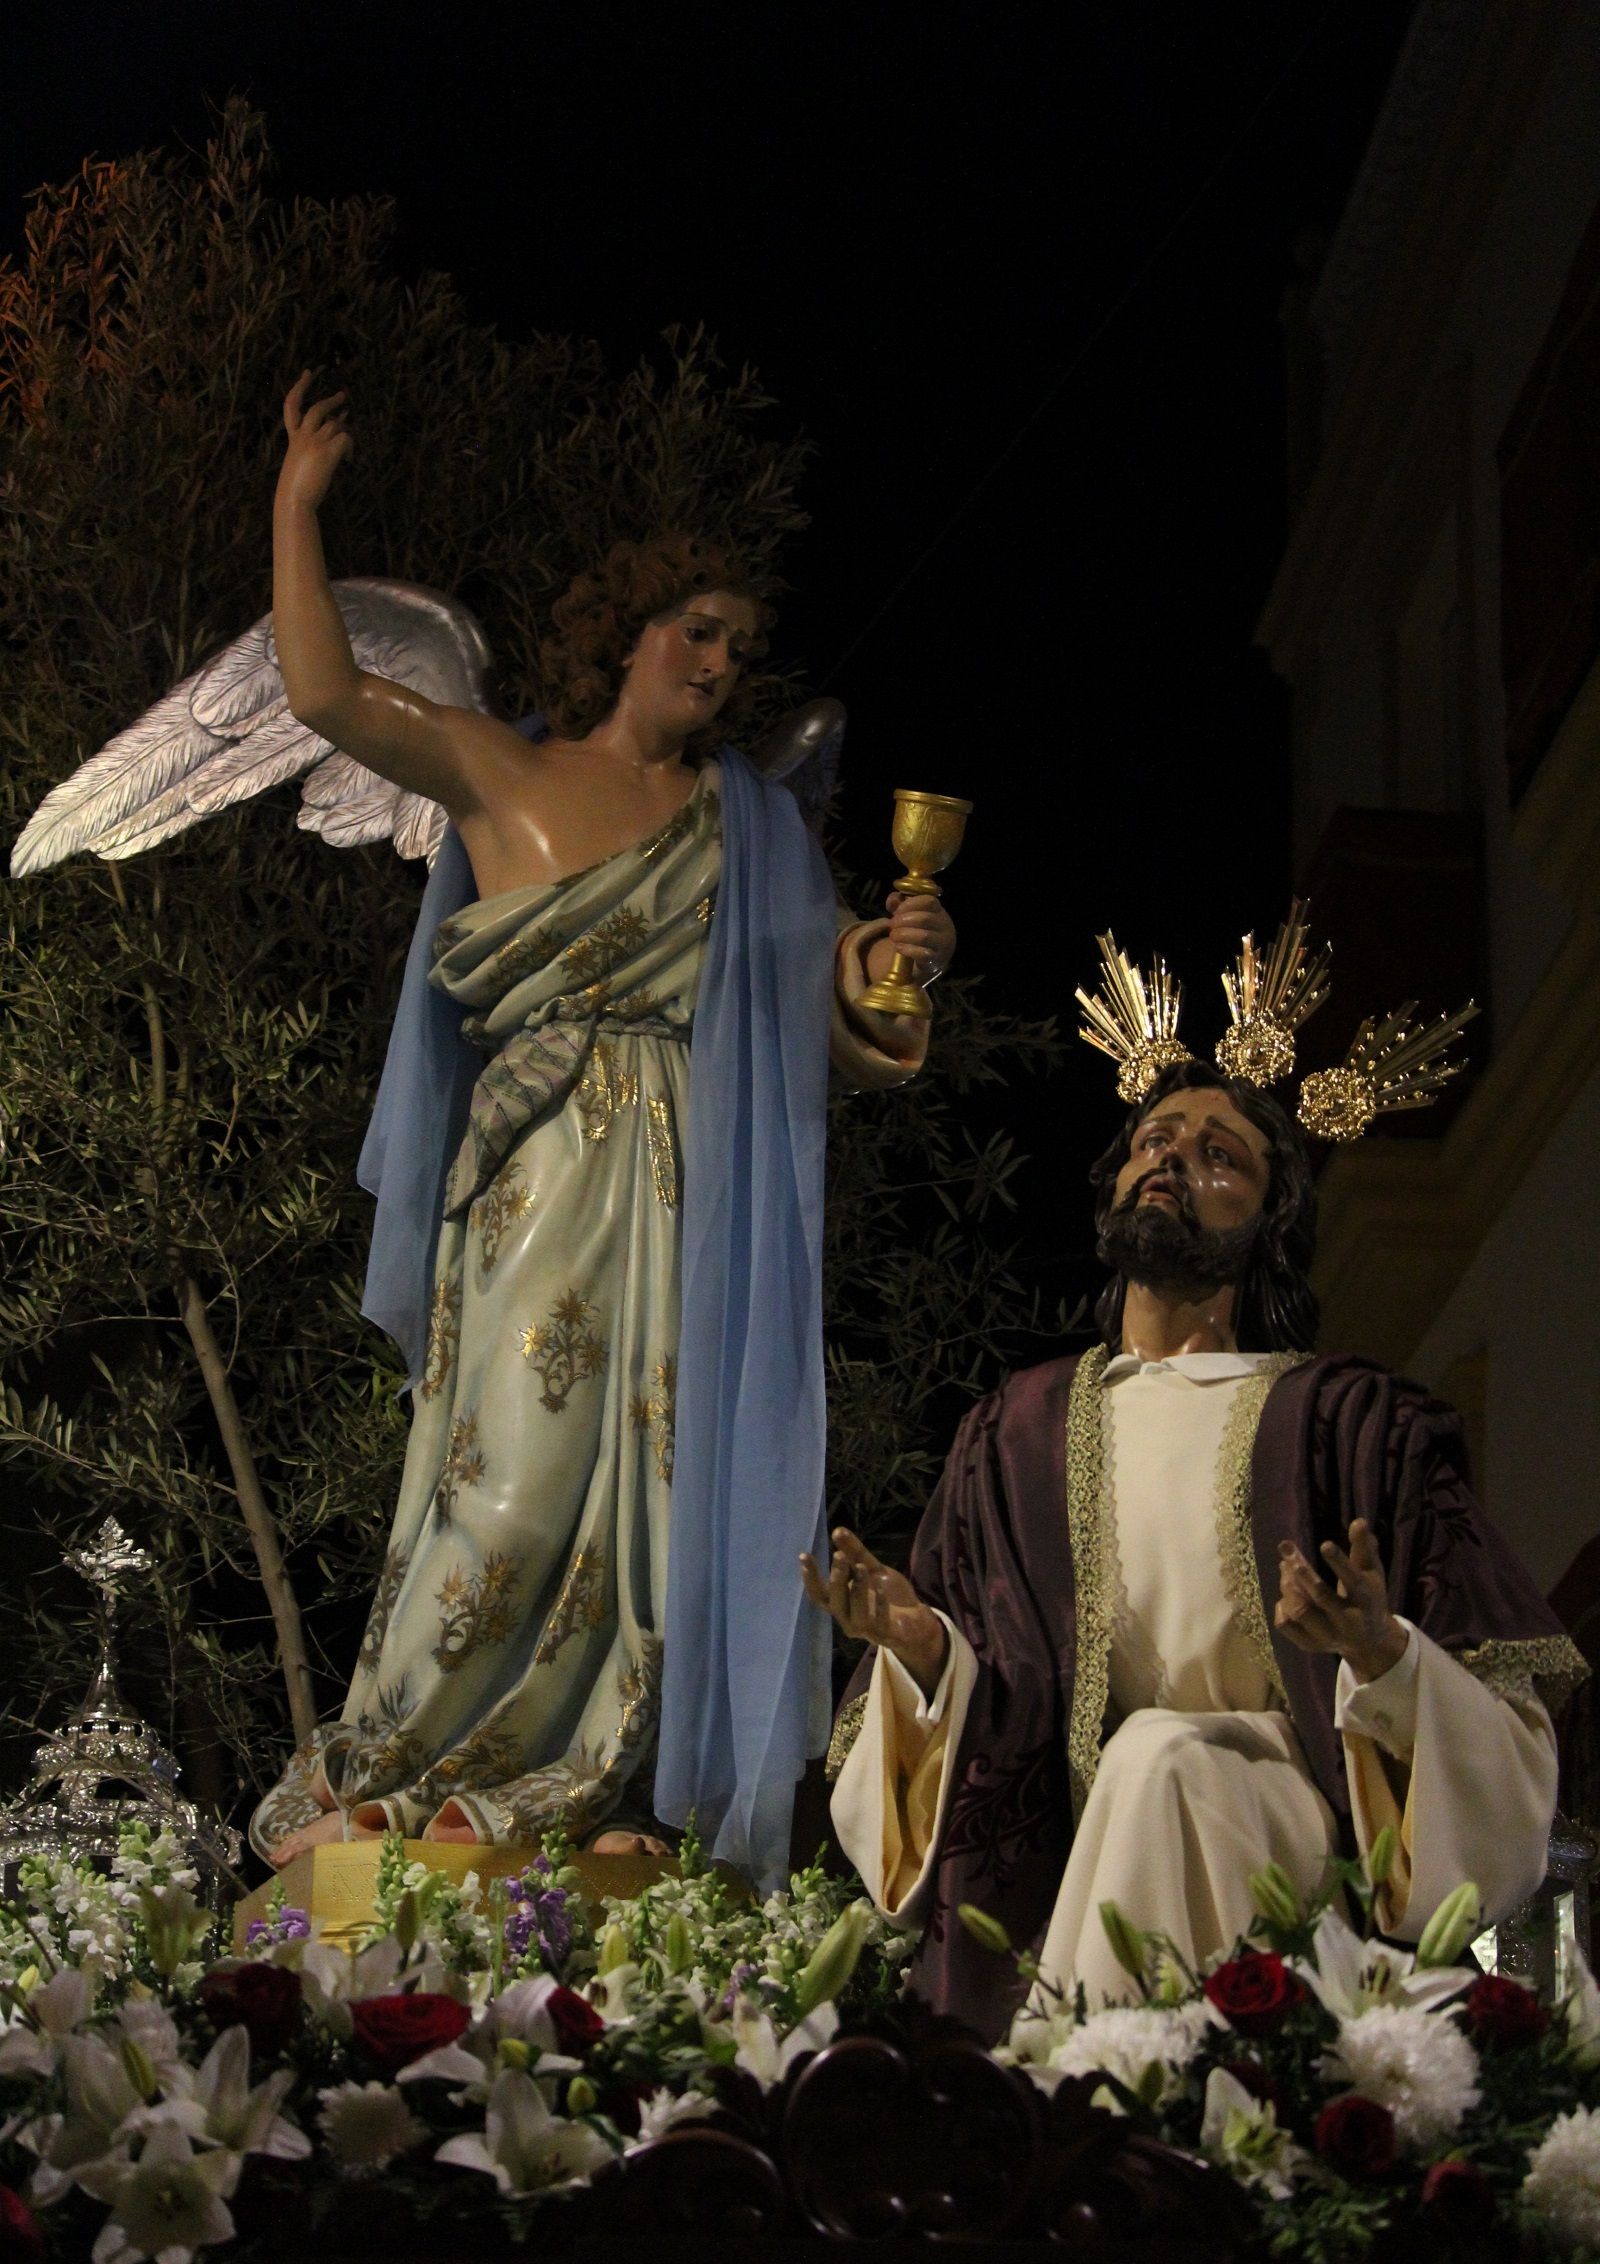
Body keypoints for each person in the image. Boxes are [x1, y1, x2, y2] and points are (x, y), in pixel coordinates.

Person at [251, 376, 954, 1874]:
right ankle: (405, 1752)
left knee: (657, 1504)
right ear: (624, 630)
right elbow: (322, 696)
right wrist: (297, 504)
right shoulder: (507, 770)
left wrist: (896, 970)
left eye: (739, 644)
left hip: (689, 1197)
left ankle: (599, 1780)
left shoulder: (749, 829)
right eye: (693, 625)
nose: (716, 657)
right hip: (538, 1179)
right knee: (508, 1484)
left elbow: (852, 1033)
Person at [811, 1048, 1587, 2039]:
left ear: (1266, 1225)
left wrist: (1379, 1654)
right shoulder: (1014, 1434)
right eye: (1154, 1143)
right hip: (1082, 1846)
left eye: (1220, 1156)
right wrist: (922, 1653)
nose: (1172, 1165)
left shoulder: (1352, 1425)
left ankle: (1086, 2107)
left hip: (1291, 1827)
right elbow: (973, 1730)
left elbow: (1502, 1734)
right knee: (1150, 1757)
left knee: (1165, 1754)